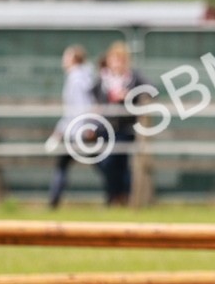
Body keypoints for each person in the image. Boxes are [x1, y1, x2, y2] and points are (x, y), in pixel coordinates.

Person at [91, 41, 149, 206]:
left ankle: (118, 197)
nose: (117, 63)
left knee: (117, 163)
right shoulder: (102, 79)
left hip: (124, 129)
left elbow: (152, 90)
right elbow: (93, 98)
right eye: (114, 59)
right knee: (106, 163)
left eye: (120, 59)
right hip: (104, 128)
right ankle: (116, 195)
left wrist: (129, 95)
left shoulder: (133, 77)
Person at [45, 45, 97, 209]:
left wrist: (61, 131)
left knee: (64, 165)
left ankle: (53, 200)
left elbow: (79, 107)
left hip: (77, 130)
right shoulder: (83, 77)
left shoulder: (76, 79)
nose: (63, 60)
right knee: (98, 161)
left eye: (66, 57)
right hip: (77, 129)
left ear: (74, 59)